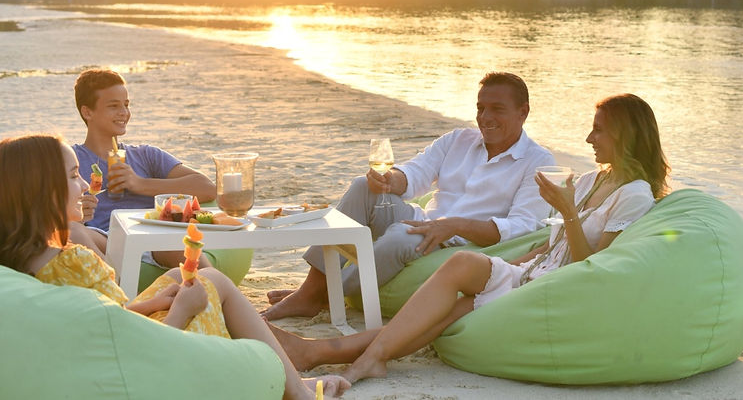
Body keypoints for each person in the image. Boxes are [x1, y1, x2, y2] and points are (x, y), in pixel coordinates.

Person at [270, 93, 670, 394]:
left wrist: (565, 211)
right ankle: (332, 343)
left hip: (556, 285)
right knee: (451, 286)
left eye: (598, 129)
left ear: (625, 134)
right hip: (533, 270)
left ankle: (331, 354)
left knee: (443, 315)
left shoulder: (633, 194)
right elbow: (553, 246)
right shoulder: (592, 179)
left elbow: (593, 266)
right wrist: (515, 261)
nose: (588, 137)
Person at [0, 134, 350, 400]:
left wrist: (149, 303)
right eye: (74, 175)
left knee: (188, 276)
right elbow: (135, 347)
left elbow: (101, 317)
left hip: (106, 345)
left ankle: (295, 372)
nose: (83, 185)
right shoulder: (74, 259)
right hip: (147, 357)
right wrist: (181, 310)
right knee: (216, 285)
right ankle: (299, 390)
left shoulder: (24, 261)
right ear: (43, 191)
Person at [263, 72, 555, 320]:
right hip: (426, 220)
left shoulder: (538, 162)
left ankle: (320, 295)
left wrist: (454, 225)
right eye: (480, 108)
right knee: (361, 187)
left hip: (461, 239)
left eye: (497, 109)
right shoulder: (458, 140)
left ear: (523, 112)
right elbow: (415, 174)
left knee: (399, 237)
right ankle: (310, 290)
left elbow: (523, 225)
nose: (485, 117)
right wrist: (389, 180)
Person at [72, 69, 215, 269]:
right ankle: (111, 289)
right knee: (73, 231)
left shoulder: (146, 155)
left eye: (126, 105)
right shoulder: (71, 159)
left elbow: (207, 188)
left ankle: (218, 292)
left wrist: (140, 184)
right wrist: (78, 214)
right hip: (104, 241)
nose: (124, 112)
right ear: (88, 112)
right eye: (114, 106)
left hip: (151, 240)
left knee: (177, 243)